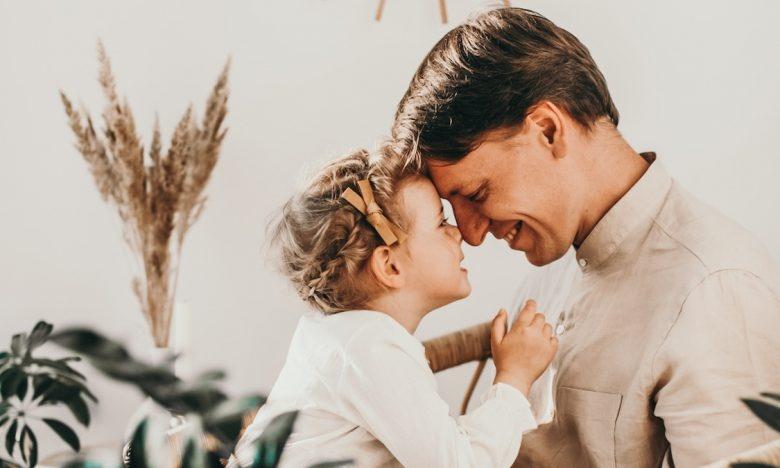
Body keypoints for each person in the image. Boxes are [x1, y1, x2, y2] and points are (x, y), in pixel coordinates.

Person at [391, 7, 780, 467]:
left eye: (476, 193)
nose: (471, 234)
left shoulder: (715, 290)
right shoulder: (555, 252)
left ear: (549, 130)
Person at [227, 146, 557, 467]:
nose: (458, 232)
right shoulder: (370, 346)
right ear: (390, 266)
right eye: (441, 222)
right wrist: (514, 378)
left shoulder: (342, 339)